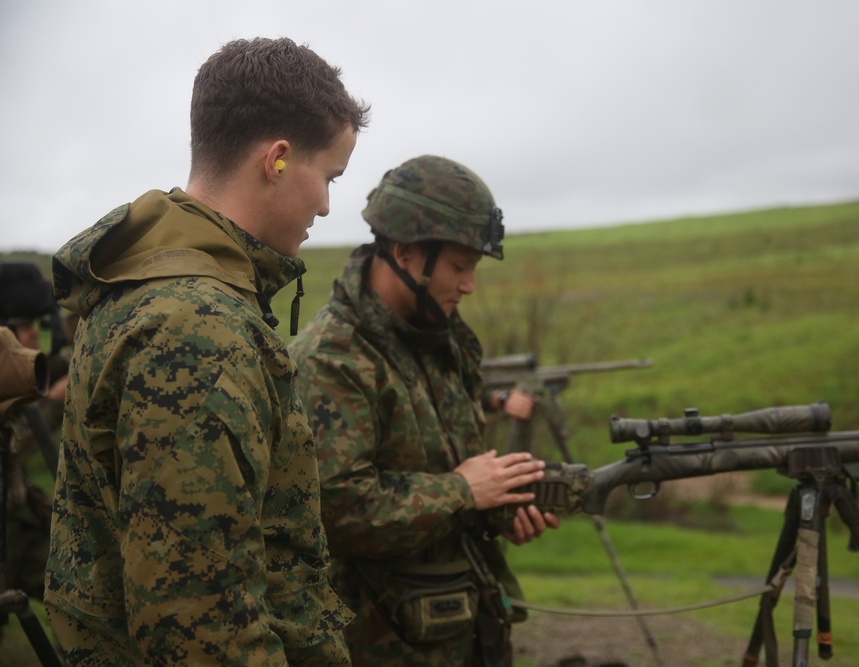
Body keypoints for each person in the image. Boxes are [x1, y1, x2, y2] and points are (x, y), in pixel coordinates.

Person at [45, 37, 368, 666]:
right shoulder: (196, 326)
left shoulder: (139, 282)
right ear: (277, 159)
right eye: (328, 176)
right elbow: (201, 627)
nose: (327, 206)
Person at [289, 155, 559, 666]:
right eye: (459, 267)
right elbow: (337, 510)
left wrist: (499, 506)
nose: (468, 285)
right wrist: (463, 492)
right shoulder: (332, 359)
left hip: (465, 628)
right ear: (407, 253)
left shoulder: (442, 343)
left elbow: (454, 471)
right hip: (377, 643)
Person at [0, 262, 60, 603]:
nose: (35, 333)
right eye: (25, 326)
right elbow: (12, 448)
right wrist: (51, 403)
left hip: (22, 519)